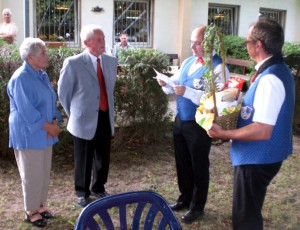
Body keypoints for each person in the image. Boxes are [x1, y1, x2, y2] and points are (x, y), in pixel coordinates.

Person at [207, 19, 295, 230]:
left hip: (257, 158)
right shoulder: (275, 70)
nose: (245, 45)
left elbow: (262, 130)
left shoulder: (270, 78)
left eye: (247, 41)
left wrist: (225, 132)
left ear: (258, 45)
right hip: (260, 156)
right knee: (248, 210)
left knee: (245, 216)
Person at [156, 25, 230, 223]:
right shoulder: (188, 61)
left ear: (209, 44)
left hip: (200, 124)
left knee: (199, 165)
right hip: (181, 120)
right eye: (192, 42)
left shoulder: (218, 67)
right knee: (182, 163)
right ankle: (185, 197)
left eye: (197, 43)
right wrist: (166, 84)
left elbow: (217, 100)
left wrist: (188, 92)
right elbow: (176, 82)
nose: (193, 46)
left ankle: (197, 206)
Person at [58, 24, 118, 207]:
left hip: (105, 116)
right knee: (83, 157)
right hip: (82, 118)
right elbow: (63, 93)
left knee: (103, 156)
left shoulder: (110, 61)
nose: (103, 42)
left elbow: (109, 89)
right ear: (86, 42)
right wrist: (75, 114)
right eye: (99, 40)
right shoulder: (73, 63)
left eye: (103, 39)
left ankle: (98, 187)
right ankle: (82, 192)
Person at [7, 37, 61, 228]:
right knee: (31, 174)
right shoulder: (20, 78)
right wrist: (49, 127)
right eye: (43, 53)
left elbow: (50, 99)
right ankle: (30, 211)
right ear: (30, 57)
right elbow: (27, 111)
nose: (47, 56)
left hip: (46, 131)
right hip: (28, 133)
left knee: (44, 171)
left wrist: (54, 121)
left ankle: (40, 206)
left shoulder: (41, 74)